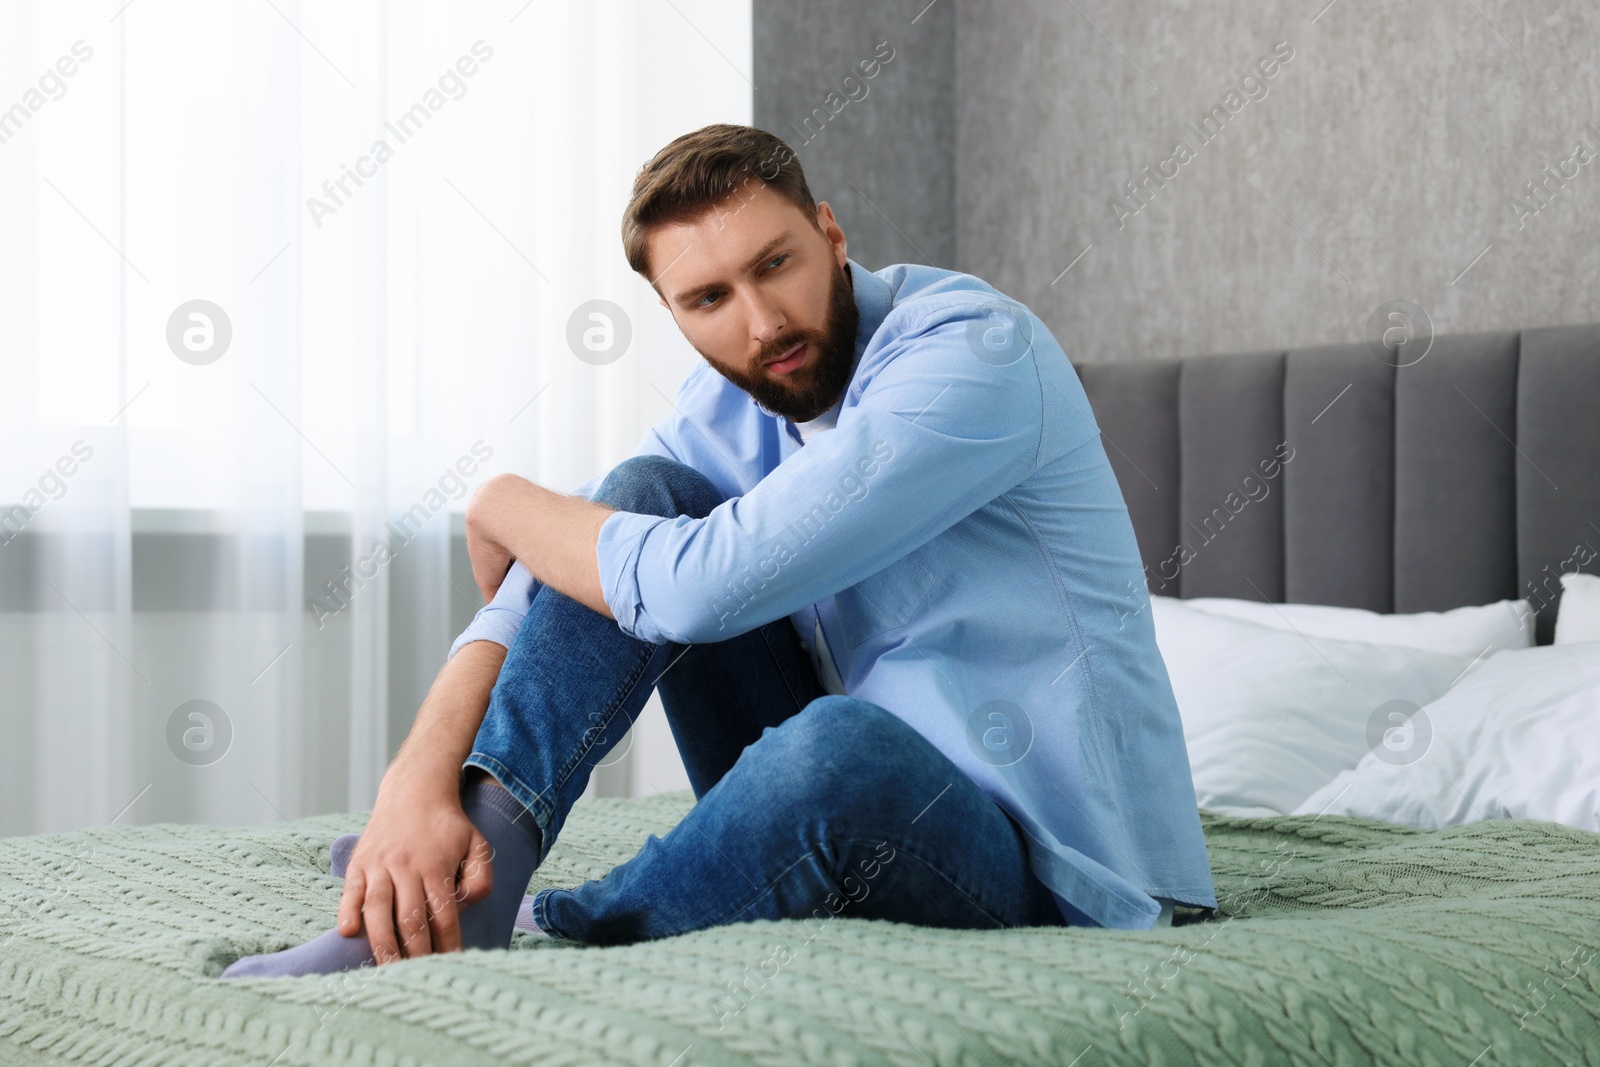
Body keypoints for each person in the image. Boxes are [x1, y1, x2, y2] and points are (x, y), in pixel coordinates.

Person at [222, 123, 1216, 978]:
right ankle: (484, 873)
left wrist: (503, 499)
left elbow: (701, 587)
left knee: (837, 739)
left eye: (774, 264)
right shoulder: (739, 399)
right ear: (673, 313)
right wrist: (418, 782)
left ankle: (564, 914)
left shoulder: (969, 355)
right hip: (849, 796)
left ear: (830, 233)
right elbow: (569, 567)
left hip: (1060, 869)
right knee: (644, 502)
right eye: (709, 298)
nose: (762, 322)